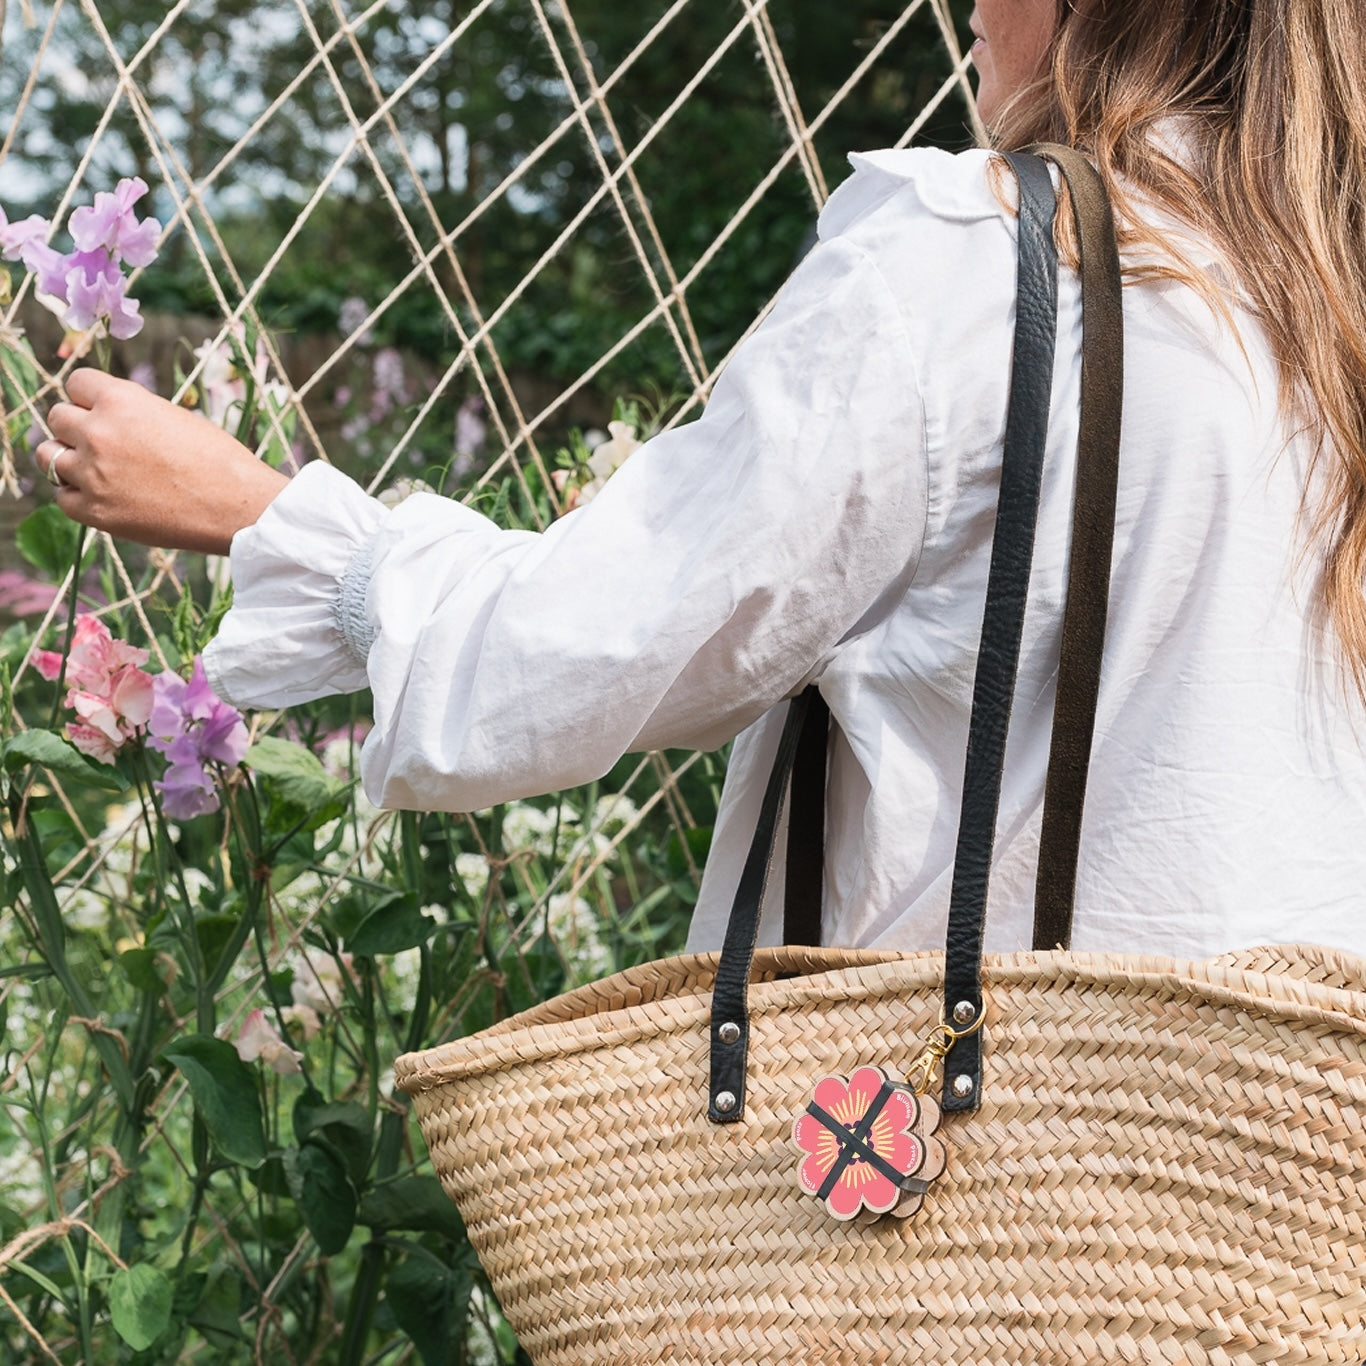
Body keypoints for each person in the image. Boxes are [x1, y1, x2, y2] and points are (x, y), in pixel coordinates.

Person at [36, 0, 1366, 963]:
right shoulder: (1318, 315)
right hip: (1263, 1226)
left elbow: (591, 649)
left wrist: (269, 516)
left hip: (968, 1214)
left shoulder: (971, 268)